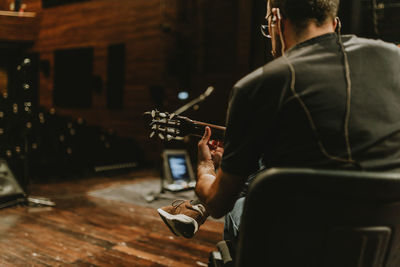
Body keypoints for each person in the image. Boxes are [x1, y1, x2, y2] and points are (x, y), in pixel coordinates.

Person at [157, 0, 400, 256]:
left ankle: (199, 210)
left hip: (297, 248)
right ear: (336, 23)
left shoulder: (256, 87)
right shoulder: (394, 60)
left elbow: (218, 203)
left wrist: (207, 170)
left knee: (241, 200)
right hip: (384, 244)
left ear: (275, 19)